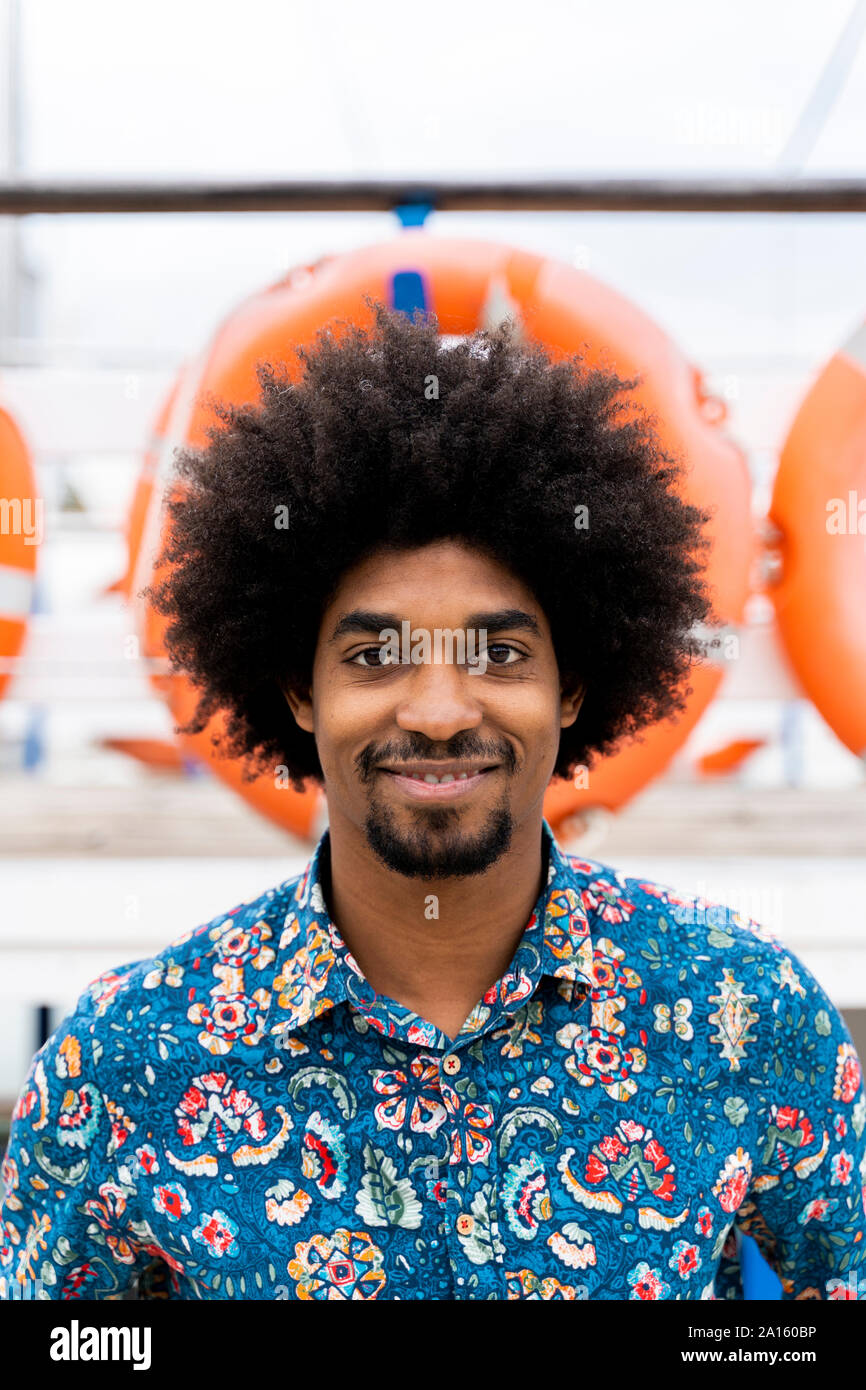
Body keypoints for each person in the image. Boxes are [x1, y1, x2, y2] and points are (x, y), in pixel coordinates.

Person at [2, 301, 863, 1302]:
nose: (442, 710)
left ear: (572, 685)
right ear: (296, 687)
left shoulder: (746, 1014)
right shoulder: (123, 1063)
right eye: (374, 656)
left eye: (498, 652)